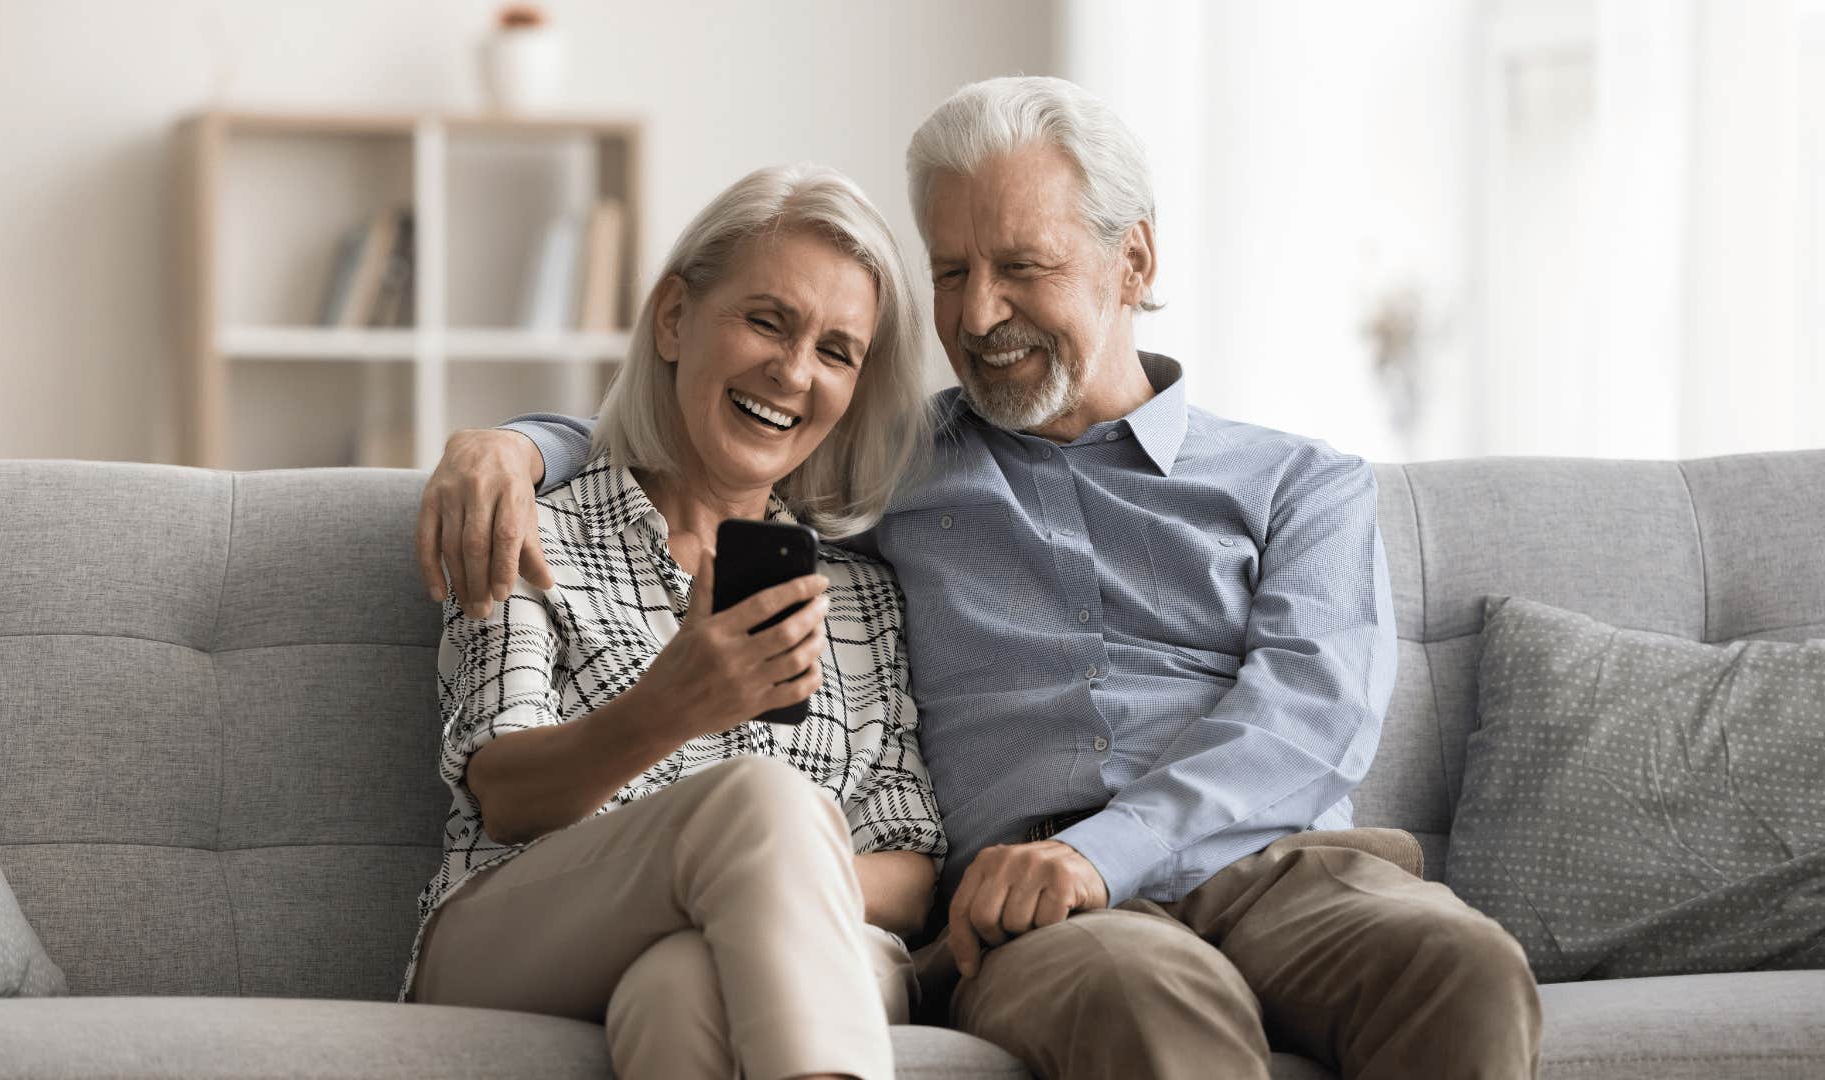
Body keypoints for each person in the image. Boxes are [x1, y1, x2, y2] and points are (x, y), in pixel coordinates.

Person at [419, 77, 1542, 1079]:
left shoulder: (1300, 483)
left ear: (1134, 264)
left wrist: (1099, 855)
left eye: (1022, 267)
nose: (975, 314)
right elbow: (718, 440)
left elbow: (1311, 719)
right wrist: (516, 445)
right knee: (1146, 1003)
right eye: (952, 271)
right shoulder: (893, 474)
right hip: (1031, 914)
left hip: (1281, 869)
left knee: (1464, 968)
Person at [401, 162, 946, 1080]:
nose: (793, 370)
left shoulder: (864, 598)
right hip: (514, 929)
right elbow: (505, 796)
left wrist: (755, 893)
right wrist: (673, 707)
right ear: (673, 319)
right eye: (766, 320)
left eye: (837, 351)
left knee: (684, 986)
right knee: (764, 799)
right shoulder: (532, 527)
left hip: (803, 947)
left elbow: (911, 867)